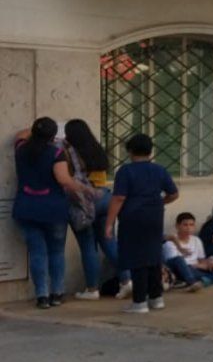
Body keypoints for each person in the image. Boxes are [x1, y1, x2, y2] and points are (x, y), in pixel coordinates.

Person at [104, 133, 179, 313]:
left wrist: (109, 223)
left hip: (132, 218)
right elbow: (174, 194)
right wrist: (159, 203)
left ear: (130, 151)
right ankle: (156, 297)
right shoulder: (159, 170)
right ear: (150, 151)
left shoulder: (126, 171)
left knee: (136, 258)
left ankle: (139, 301)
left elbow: (119, 198)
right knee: (153, 256)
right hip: (155, 217)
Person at [12, 119, 81, 309]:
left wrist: (37, 130)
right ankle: (57, 293)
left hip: (26, 207)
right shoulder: (56, 153)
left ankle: (41, 296)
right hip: (53, 209)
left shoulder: (20, 149)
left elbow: (20, 135)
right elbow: (63, 179)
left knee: (37, 253)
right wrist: (84, 190)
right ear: (53, 136)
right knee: (56, 252)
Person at [61, 119, 127, 301]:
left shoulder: (69, 152)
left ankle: (92, 289)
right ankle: (127, 280)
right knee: (109, 242)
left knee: (88, 246)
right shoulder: (96, 148)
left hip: (85, 201)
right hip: (105, 197)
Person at [163, 213, 213, 290]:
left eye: (191, 225)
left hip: (197, 269)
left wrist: (210, 262)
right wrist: (198, 266)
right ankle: (193, 282)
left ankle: (208, 279)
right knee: (181, 261)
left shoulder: (196, 240)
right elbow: (176, 263)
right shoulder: (170, 242)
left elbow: (201, 260)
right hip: (181, 271)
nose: (188, 228)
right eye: (185, 225)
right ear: (177, 226)